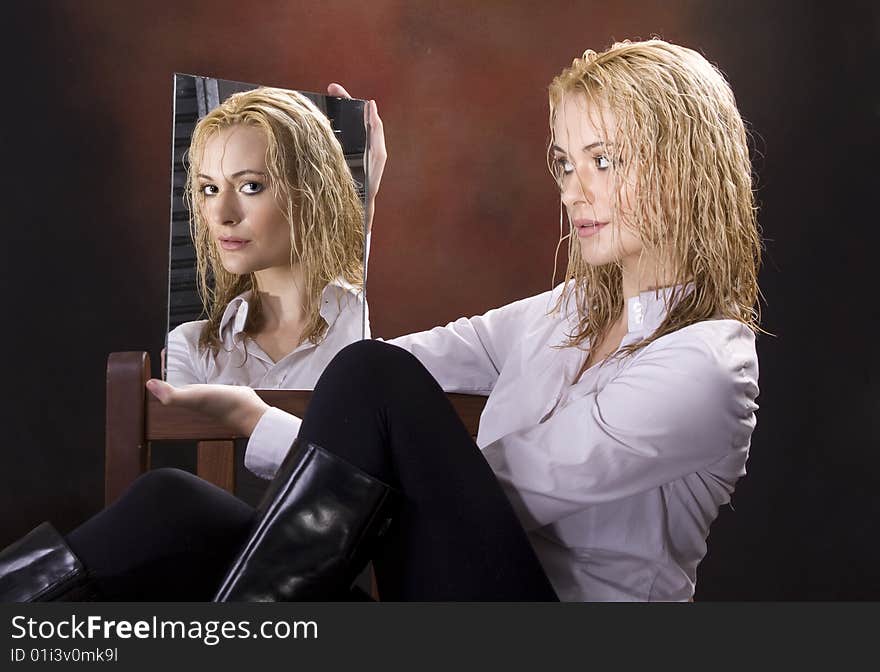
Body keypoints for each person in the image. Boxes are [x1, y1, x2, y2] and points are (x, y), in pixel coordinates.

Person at [0, 39, 760, 602]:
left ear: (685, 166)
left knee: (377, 380)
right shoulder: (559, 316)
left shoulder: (708, 363)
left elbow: (484, 485)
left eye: (605, 160)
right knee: (176, 506)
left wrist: (264, 428)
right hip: (431, 596)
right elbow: (359, 388)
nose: (573, 191)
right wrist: (351, 226)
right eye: (565, 162)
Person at [165, 86, 385, 390]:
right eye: (210, 189)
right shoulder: (192, 349)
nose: (221, 215)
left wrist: (369, 203)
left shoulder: (360, 317)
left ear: (312, 191)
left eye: (251, 186)